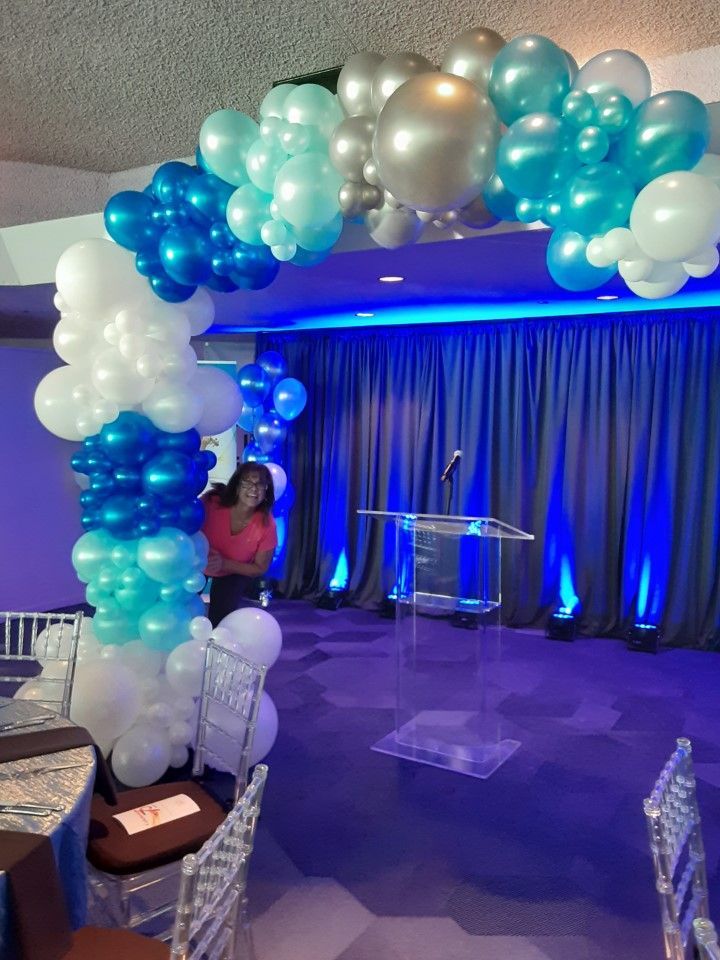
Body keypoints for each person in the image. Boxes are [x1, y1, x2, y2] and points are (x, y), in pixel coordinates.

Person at [201, 462, 278, 627]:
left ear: (266, 491)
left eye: (260, 484)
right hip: (195, 564)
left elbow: (259, 568)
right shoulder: (211, 503)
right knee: (181, 610)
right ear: (236, 486)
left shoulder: (267, 524)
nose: (254, 488)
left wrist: (224, 563)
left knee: (221, 621)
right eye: (247, 483)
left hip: (234, 570)